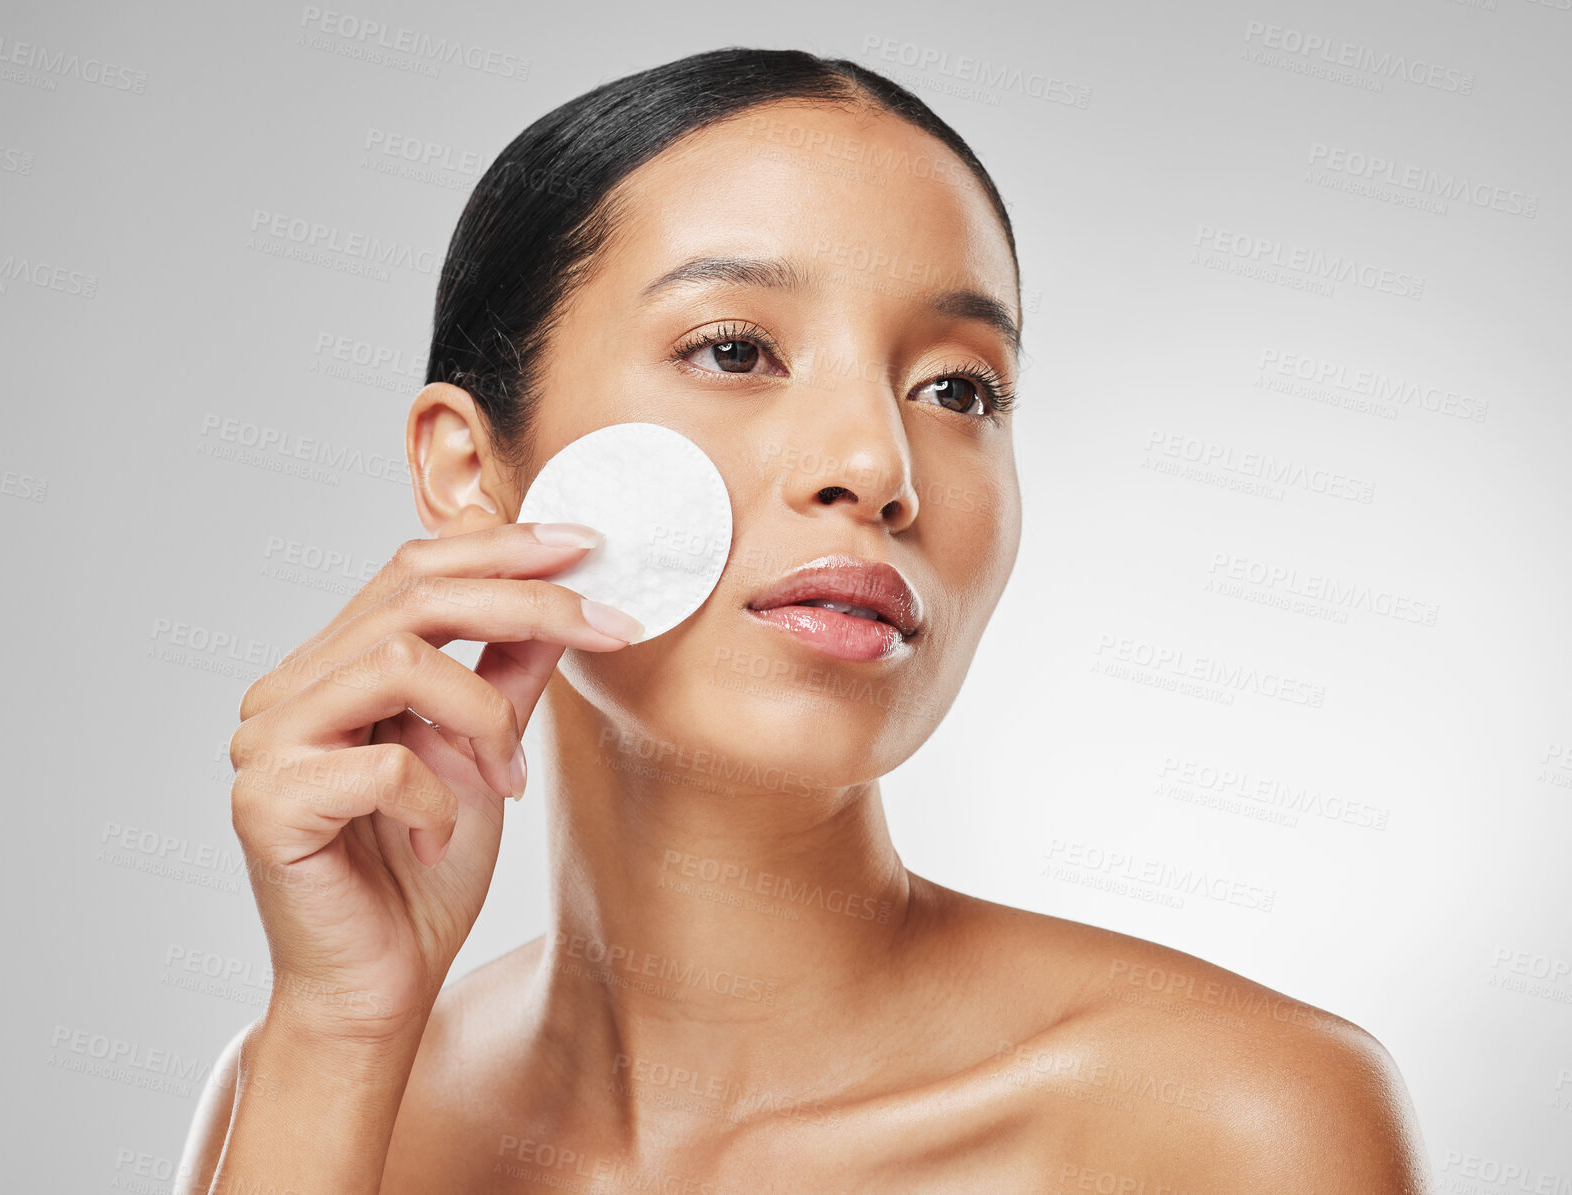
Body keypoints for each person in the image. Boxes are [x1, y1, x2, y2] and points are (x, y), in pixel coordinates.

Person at [178, 46, 1431, 1193]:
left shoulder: (1231, 1122)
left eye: (957, 388)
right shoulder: (315, 1098)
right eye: (734, 351)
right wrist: (337, 1034)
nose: (875, 464)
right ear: (469, 470)